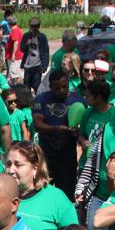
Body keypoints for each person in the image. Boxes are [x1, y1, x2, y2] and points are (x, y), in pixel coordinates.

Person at [5, 140, 77, 230]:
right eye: (8, 164)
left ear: (35, 168)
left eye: (18, 165)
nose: (11, 170)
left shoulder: (57, 199)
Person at [32, 68, 81, 196]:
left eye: (64, 86)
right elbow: (37, 124)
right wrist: (56, 129)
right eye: (57, 88)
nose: (62, 90)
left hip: (67, 156)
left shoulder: (78, 100)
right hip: (46, 155)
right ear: (50, 87)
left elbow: (83, 125)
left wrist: (77, 132)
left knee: (67, 194)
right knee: (42, 192)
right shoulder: (41, 99)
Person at [19, 18, 50, 91]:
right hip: (27, 66)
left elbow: (45, 52)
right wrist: (27, 44)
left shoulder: (42, 37)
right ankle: (27, 101)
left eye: (35, 27)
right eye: (31, 27)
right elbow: (22, 49)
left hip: (37, 66)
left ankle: (37, 100)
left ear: (38, 27)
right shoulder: (26, 36)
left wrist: (44, 67)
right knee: (26, 86)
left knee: (37, 86)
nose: (33, 29)